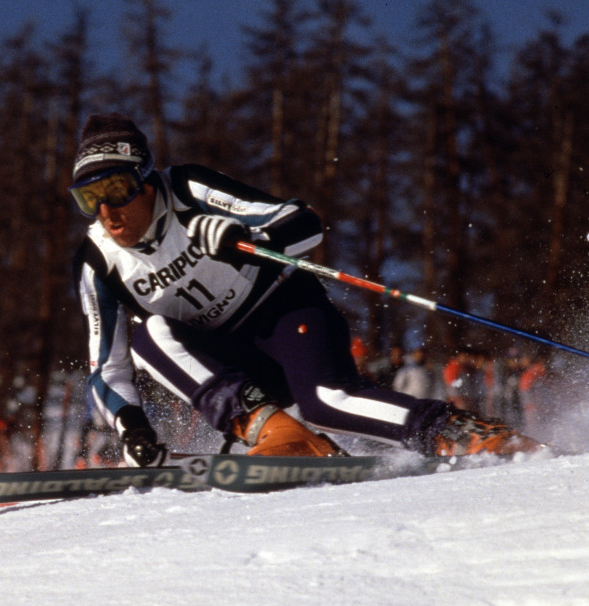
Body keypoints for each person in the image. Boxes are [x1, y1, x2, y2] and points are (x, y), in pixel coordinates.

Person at [67, 112, 541, 467]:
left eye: (116, 188)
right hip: (234, 362)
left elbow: (302, 221)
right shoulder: (96, 262)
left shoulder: (188, 188)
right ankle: (279, 433)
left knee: (328, 402)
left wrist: (248, 240)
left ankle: (468, 434)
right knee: (150, 334)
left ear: (147, 181)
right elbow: (107, 366)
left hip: (286, 314)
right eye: (90, 198)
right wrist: (130, 427)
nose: (107, 210)